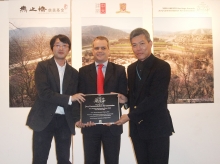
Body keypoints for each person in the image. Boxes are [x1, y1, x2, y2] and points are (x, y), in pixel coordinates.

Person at [115, 28, 174, 164]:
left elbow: (155, 98)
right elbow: (136, 95)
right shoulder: (131, 68)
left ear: (150, 43)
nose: (138, 48)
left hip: (157, 128)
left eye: (142, 43)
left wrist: (130, 116)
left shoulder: (162, 66)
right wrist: (126, 99)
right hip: (138, 130)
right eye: (134, 45)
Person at [26, 34, 85, 164]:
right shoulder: (43, 67)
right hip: (44, 119)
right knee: (39, 159)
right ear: (52, 48)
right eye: (57, 45)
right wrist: (70, 98)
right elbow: (44, 93)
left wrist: (77, 119)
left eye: (64, 45)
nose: (61, 48)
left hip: (65, 120)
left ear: (68, 49)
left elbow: (76, 100)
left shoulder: (74, 73)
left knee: (64, 159)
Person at [78, 36, 127, 164]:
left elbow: (124, 96)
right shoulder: (82, 72)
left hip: (112, 125)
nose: (100, 51)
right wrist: (80, 118)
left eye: (103, 48)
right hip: (90, 126)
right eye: (96, 48)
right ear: (92, 51)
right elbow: (80, 98)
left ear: (109, 50)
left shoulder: (120, 70)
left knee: (112, 161)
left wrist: (123, 100)